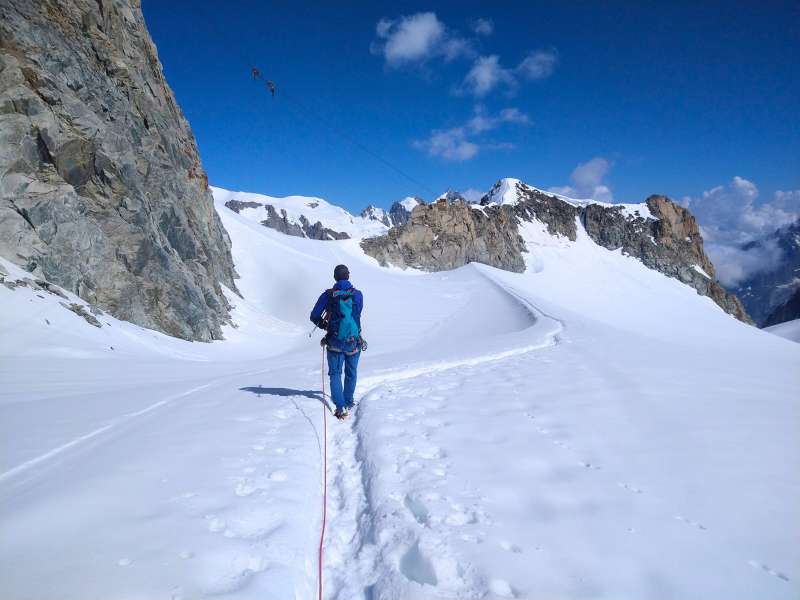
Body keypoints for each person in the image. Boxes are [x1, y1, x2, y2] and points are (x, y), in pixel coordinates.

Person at [310, 264, 364, 420]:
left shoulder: (328, 295)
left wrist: (326, 326)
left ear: (335, 277)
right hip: (353, 340)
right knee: (351, 372)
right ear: (348, 275)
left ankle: (340, 408)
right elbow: (357, 314)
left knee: (335, 373)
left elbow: (314, 315)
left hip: (334, 340)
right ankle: (348, 402)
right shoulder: (358, 294)